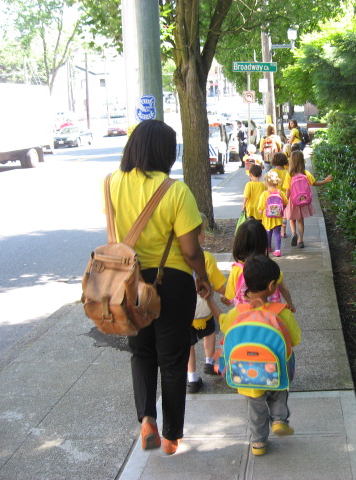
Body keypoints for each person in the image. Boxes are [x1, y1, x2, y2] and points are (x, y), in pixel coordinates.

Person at [108, 119, 212, 456]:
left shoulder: (110, 184)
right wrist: (202, 277)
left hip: (129, 281)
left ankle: (146, 420)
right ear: (165, 152)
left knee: (141, 352)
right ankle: (171, 437)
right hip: (173, 282)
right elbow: (191, 249)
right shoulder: (175, 191)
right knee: (172, 359)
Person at [207, 255, 301, 456]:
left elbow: (223, 324)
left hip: (246, 372)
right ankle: (278, 419)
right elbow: (295, 340)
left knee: (255, 405)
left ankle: (258, 444)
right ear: (272, 285)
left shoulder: (237, 312)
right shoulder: (281, 312)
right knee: (279, 391)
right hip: (276, 371)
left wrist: (209, 300)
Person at [187, 214, 230, 394]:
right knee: (210, 332)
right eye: (203, 231)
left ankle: (192, 379)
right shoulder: (207, 258)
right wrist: (230, 295)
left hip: (185, 312)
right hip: (204, 309)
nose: (204, 234)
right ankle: (209, 361)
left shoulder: (176, 259)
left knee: (188, 346)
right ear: (198, 235)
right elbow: (219, 286)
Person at [225, 219, 295, 312]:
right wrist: (290, 304)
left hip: (246, 319)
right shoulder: (269, 267)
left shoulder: (236, 270)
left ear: (239, 243)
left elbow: (230, 297)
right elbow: (283, 287)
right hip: (272, 317)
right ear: (263, 242)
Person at [283, 150, 333, 249]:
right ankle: (300, 240)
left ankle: (293, 233)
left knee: (292, 219)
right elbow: (314, 183)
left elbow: (288, 190)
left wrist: (285, 201)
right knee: (300, 221)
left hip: (293, 201)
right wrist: (325, 181)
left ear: (291, 161)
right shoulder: (305, 173)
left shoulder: (289, 175)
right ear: (302, 161)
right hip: (302, 201)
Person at [258, 170, 288, 257]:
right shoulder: (280, 193)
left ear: (266, 182)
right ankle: (278, 250)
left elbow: (260, 207)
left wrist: (260, 210)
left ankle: (268, 247)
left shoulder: (264, 194)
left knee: (268, 233)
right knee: (277, 233)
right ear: (277, 181)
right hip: (278, 218)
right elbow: (286, 202)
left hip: (267, 218)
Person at [271, 152, 290, 238]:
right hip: (285, 196)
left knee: (275, 213)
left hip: (275, 196)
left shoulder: (272, 172)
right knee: (284, 215)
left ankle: (276, 228)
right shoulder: (287, 172)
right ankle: (283, 231)